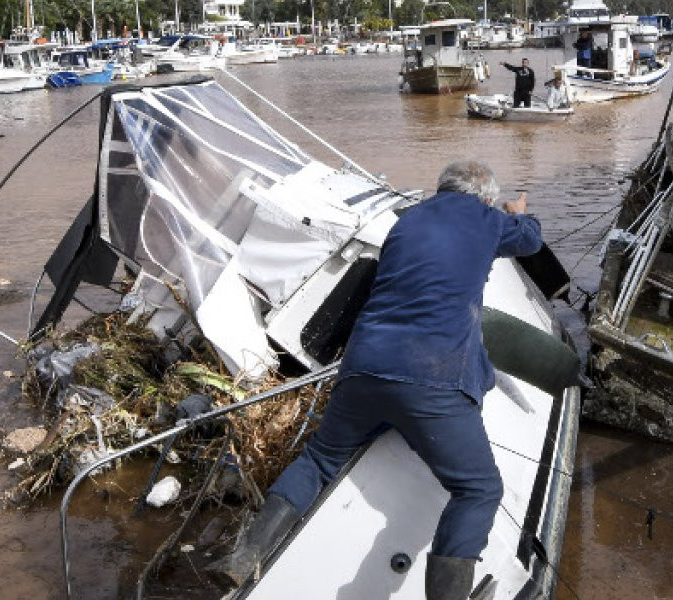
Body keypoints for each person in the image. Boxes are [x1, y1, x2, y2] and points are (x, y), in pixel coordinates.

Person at [207, 161, 544, 600]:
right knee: (479, 487)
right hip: (432, 377)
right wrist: (517, 212)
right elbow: (532, 240)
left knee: (319, 460)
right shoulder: (486, 217)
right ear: (482, 196)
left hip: (363, 368)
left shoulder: (406, 221)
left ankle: (245, 555)